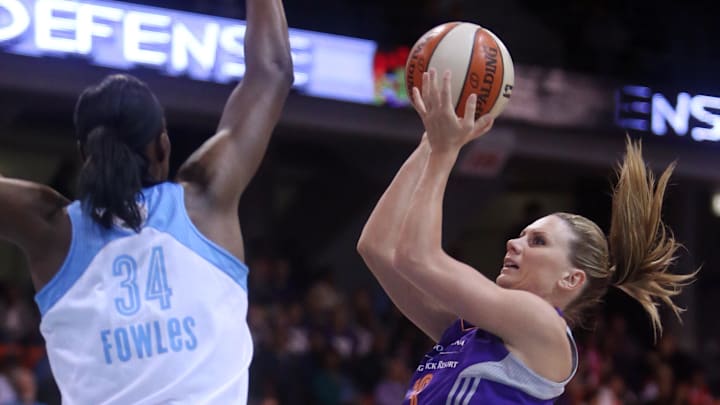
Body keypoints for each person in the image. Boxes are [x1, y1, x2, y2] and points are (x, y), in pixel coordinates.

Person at [0, 0, 293, 401]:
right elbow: (272, 72)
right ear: (163, 147)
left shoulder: (52, 231)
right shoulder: (205, 200)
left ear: (86, 156)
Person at [357, 69, 696, 404]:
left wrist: (445, 150)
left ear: (571, 278)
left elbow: (417, 258)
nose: (513, 243)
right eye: (522, 235)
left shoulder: (543, 325)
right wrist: (430, 141)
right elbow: (375, 248)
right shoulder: (470, 330)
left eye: (537, 241)